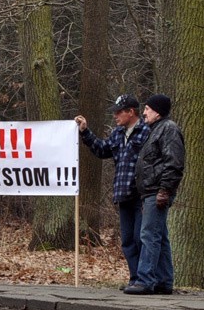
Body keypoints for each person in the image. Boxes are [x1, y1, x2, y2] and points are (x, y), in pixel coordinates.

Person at [75, 94, 150, 289]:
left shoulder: (146, 132)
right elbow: (102, 149)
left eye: (119, 112)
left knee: (140, 238)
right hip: (123, 194)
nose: (115, 116)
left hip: (141, 195)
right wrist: (85, 132)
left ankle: (146, 279)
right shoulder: (118, 134)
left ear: (131, 112)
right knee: (127, 240)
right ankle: (135, 279)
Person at [124, 94, 185, 295]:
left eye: (148, 109)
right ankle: (164, 280)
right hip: (150, 192)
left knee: (148, 235)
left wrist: (164, 190)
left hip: (157, 191)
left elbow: (173, 162)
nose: (144, 113)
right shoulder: (155, 130)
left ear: (157, 111)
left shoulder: (168, 129)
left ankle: (145, 280)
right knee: (160, 236)